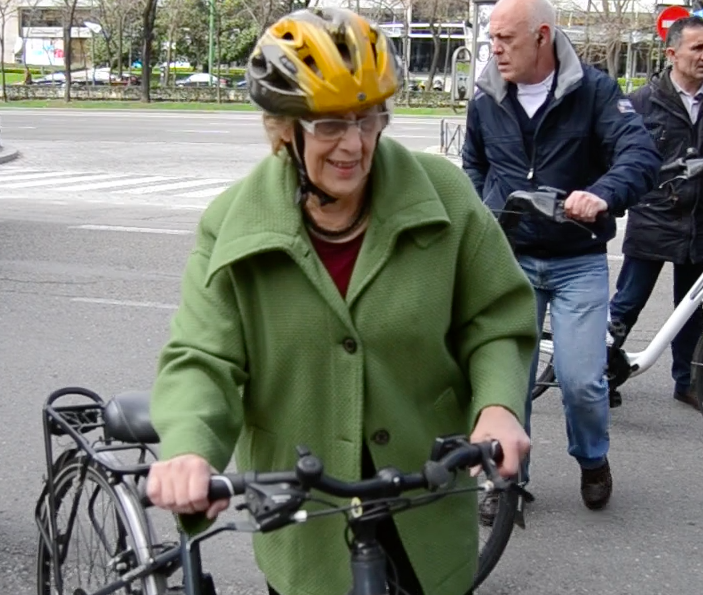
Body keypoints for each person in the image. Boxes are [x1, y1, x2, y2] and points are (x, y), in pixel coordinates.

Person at [144, 8, 537, 595]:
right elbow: (205, 358)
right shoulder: (233, 224)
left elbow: (496, 319)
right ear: (286, 128)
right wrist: (190, 452)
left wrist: (499, 405)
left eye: (367, 118)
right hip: (306, 524)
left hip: (423, 501)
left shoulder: (446, 198)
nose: (354, 144)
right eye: (329, 124)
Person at [461, 0, 661, 514]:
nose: (495, 48)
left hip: (577, 260)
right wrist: (484, 214)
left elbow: (640, 156)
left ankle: (593, 458)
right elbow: (473, 165)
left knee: (582, 382)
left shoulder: (594, 91)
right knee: (510, 380)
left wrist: (603, 193)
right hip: (509, 262)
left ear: (542, 36)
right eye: (491, 38)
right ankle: (507, 480)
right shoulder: (485, 95)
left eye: (505, 38)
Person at [607, 16, 703, 411]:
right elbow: (618, 152)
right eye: (697, 48)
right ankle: (597, 372)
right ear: (672, 53)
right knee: (628, 302)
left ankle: (687, 380)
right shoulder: (642, 101)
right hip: (655, 216)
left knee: (690, 307)